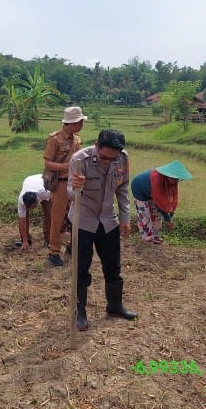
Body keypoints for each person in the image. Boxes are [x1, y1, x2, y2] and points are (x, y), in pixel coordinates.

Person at [69, 129, 137, 331]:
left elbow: (122, 188)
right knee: (81, 267)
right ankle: (79, 312)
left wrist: (125, 218)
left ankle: (115, 305)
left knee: (113, 265)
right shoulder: (79, 160)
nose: (108, 162)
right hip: (83, 220)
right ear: (97, 146)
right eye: (104, 157)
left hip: (108, 219)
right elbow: (70, 193)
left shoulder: (123, 159)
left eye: (112, 158)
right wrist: (76, 186)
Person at [43, 106, 86, 266]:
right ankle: (54, 251)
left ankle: (72, 246)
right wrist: (68, 166)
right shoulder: (54, 139)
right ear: (71, 123)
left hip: (74, 183)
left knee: (76, 216)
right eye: (79, 122)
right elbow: (48, 163)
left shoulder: (77, 139)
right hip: (60, 184)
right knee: (58, 219)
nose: (81, 124)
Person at [130, 160, 193, 245]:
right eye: (173, 178)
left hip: (151, 191)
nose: (175, 181)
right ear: (167, 175)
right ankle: (148, 238)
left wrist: (170, 213)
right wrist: (168, 220)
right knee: (145, 214)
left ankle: (155, 236)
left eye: (177, 179)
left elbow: (167, 199)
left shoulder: (170, 182)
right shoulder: (157, 180)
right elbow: (159, 203)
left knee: (156, 215)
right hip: (139, 189)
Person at [16, 174, 52, 250]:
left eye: (32, 207)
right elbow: (22, 221)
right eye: (28, 207)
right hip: (29, 180)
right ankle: (26, 240)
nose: (31, 209)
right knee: (24, 215)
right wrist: (24, 241)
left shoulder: (45, 192)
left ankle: (48, 239)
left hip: (44, 181)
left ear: (37, 201)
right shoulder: (21, 200)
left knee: (49, 213)